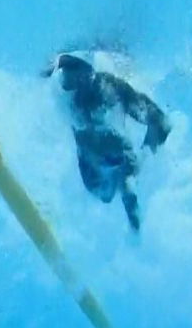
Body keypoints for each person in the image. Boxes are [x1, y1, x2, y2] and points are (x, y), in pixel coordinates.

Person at [42, 53, 171, 232]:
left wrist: (145, 154)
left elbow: (162, 122)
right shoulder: (67, 94)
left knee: (119, 182)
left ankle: (136, 234)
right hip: (102, 166)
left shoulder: (110, 90)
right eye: (66, 77)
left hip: (114, 158)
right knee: (106, 190)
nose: (67, 83)